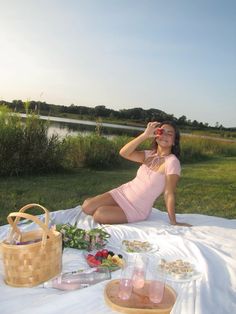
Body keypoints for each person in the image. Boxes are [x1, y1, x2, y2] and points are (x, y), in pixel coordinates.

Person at [82, 121, 191, 227]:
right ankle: (101, 203)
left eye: (169, 133)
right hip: (123, 193)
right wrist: (145, 135)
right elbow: (123, 153)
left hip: (136, 207)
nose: (165, 136)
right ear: (156, 135)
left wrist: (173, 221)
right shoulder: (149, 154)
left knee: (99, 214)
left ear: (174, 141)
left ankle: (106, 206)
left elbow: (169, 193)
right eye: (162, 132)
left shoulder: (172, 162)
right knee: (86, 207)